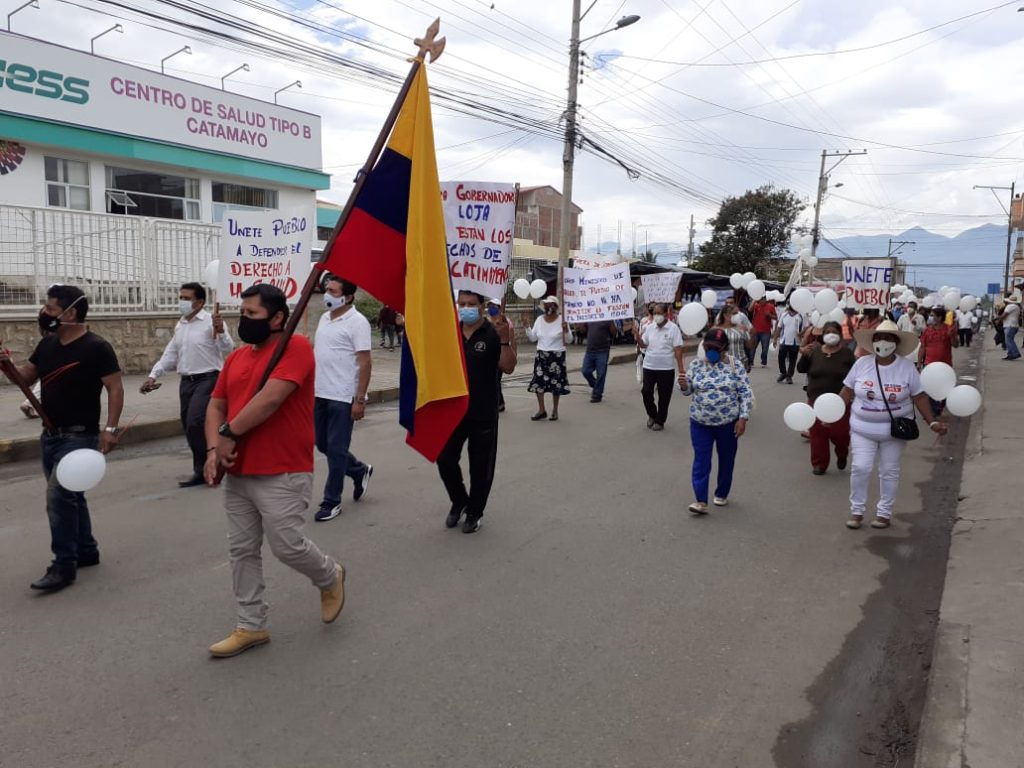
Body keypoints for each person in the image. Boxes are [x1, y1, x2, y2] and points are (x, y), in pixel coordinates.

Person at [204, 284, 346, 658]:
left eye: (252, 314)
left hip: (283, 469)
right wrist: (214, 448)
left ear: (278, 317)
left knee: (287, 545)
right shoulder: (236, 358)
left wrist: (228, 434)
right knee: (241, 550)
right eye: (242, 313)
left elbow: (270, 400)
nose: (244, 320)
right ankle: (251, 625)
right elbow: (216, 405)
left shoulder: (295, 348)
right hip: (239, 470)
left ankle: (329, 575)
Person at [1, 284, 124, 592]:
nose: (44, 313)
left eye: (50, 308)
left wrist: (110, 430)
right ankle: (86, 550)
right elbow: (25, 378)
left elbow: (115, 387)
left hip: (79, 436)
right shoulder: (48, 344)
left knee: (58, 497)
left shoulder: (96, 347)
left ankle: (63, 565)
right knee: (72, 496)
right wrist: (6, 365)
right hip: (50, 435)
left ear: (70, 313)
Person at [840, 320, 948, 530]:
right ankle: (857, 511)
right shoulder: (861, 364)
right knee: (860, 468)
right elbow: (847, 390)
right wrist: (832, 412)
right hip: (862, 429)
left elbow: (919, 397)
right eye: (879, 338)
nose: (883, 342)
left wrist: (932, 421)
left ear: (896, 343)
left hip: (894, 432)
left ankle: (884, 513)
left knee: (889, 471)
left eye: (888, 338)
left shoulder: (906, 368)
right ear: (872, 342)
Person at [438, 291, 517, 533]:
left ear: (482, 306)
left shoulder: (495, 332)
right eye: (462, 303)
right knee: (444, 458)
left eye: (471, 304)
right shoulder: (450, 332)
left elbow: (509, 367)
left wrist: (505, 340)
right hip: (454, 410)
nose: (466, 308)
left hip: (483, 411)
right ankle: (459, 500)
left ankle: (474, 512)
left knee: (480, 467)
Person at [141, 282, 234, 487]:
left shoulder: (212, 321)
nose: (182, 302)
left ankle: (209, 466)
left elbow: (228, 348)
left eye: (186, 298)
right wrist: (153, 375)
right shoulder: (181, 324)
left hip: (208, 379)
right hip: (186, 381)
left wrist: (221, 331)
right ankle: (202, 468)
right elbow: (171, 353)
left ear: (199, 302)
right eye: (180, 297)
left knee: (195, 421)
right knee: (188, 425)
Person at [312, 276, 373, 523]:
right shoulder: (324, 318)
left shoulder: (358, 322)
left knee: (336, 450)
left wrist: (360, 399)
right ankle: (359, 470)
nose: (327, 294)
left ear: (347, 297)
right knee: (322, 444)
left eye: (333, 291)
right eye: (327, 289)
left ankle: (332, 501)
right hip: (320, 393)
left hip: (343, 396)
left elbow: (365, 362)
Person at [679, 328, 753, 515]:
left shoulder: (735, 365)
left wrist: (743, 418)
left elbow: (745, 393)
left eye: (716, 348)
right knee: (701, 460)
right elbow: (688, 391)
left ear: (724, 348)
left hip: (728, 424)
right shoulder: (696, 365)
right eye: (708, 347)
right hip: (700, 423)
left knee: (727, 459)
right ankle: (700, 500)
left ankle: (721, 493)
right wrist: (684, 386)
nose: (711, 351)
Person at [797, 321, 855, 475]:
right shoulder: (815, 351)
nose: (831, 335)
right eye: (828, 332)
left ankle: (842, 454)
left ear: (840, 335)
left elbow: (855, 376)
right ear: (823, 335)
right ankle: (819, 464)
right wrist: (804, 354)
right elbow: (801, 369)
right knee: (817, 433)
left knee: (840, 434)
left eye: (834, 332)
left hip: (840, 401)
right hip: (816, 400)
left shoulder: (847, 354)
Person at [638, 303, 685, 431]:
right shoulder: (650, 328)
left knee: (664, 396)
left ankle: (660, 420)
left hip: (666, 368)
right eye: (654, 313)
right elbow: (643, 344)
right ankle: (652, 414)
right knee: (646, 392)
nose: (656, 316)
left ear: (665, 314)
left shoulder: (673, 329)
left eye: (659, 313)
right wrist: (637, 336)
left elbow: (678, 349)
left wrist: (681, 368)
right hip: (649, 366)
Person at [526, 296, 569, 421]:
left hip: (557, 356)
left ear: (556, 307)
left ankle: (555, 410)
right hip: (541, 355)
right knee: (538, 382)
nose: (548, 307)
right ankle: (542, 410)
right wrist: (527, 327)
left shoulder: (562, 320)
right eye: (546, 304)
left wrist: (566, 330)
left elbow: (569, 340)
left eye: (551, 304)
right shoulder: (539, 320)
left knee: (556, 384)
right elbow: (533, 338)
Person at [918, 306, 959, 417]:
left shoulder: (948, 329)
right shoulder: (927, 330)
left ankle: (941, 403)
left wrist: (952, 336)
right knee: (929, 387)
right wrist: (919, 363)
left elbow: (956, 345)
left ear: (940, 317)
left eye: (932, 315)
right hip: (929, 364)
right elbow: (922, 347)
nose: (930, 317)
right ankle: (933, 409)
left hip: (945, 365)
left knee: (944, 387)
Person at [582, 320, 618, 403]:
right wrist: (579, 324)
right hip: (590, 350)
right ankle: (596, 385)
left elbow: (614, 332)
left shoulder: (607, 318)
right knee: (585, 371)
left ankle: (597, 395)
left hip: (603, 350)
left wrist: (611, 322)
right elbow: (582, 330)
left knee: (601, 373)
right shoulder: (589, 316)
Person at [772, 303, 804, 384]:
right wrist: (775, 339)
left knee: (792, 360)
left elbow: (805, 329)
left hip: (795, 342)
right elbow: (779, 328)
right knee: (781, 358)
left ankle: (789, 376)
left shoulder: (800, 316)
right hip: (784, 341)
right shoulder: (784, 315)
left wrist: (801, 335)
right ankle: (783, 373)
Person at [750, 295, 777, 368]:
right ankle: (751, 362)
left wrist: (769, 315)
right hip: (755, 331)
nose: (762, 301)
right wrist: (754, 300)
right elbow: (750, 309)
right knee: (752, 347)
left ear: (766, 299)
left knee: (765, 348)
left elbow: (776, 317)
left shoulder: (771, 306)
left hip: (766, 331)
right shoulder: (756, 305)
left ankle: (763, 362)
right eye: (761, 299)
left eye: (763, 299)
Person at [996, 295, 1020, 360]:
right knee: (1009, 340)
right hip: (1014, 325)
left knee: (1009, 341)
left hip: (1009, 325)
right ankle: (1011, 354)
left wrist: (998, 320)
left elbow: (1004, 314)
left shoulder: (1010, 306)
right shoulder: (1017, 307)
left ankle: (1015, 353)